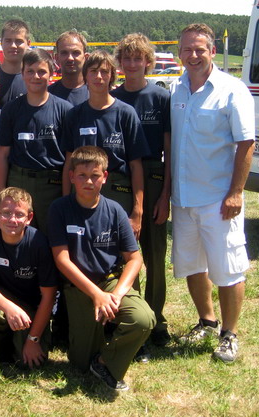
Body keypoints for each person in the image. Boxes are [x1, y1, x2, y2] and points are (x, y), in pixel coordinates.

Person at [170, 23, 255, 363]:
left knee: (228, 268)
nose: (193, 55)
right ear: (179, 53)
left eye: (200, 49)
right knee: (192, 265)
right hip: (184, 198)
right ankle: (206, 320)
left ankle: (230, 334)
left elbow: (246, 143)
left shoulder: (232, 90)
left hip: (219, 200)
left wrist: (236, 192)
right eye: (187, 49)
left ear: (212, 52)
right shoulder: (175, 90)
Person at [49, 146, 155, 391]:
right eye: (82, 175)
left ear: (105, 177)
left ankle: (105, 361)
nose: (89, 181)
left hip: (109, 282)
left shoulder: (115, 210)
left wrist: (115, 295)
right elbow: (61, 259)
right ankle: (93, 355)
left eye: (95, 175)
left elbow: (135, 258)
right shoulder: (59, 209)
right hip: (78, 288)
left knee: (143, 319)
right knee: (80, 363)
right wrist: (95, 295)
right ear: (71, 176)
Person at [112, 33, 172, 350]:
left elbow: (169, 149)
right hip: (124, 179)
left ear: (148, 62)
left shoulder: (159, 97)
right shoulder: (114, 97)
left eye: (139, 58)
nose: (133, 64)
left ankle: (157, 319)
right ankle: (130, 316)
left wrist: (165, 195)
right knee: (127, 251)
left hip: (154, 175)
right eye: (127, 58)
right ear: (120, 62)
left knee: (155, 254)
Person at [61, 50, 149, 241]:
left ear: (112, 76)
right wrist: (66, 202)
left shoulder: (126, 113)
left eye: (104, 71)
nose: (98, 77)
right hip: (82, 190)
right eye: (93, 71)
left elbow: (135, 165)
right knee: (83, 247)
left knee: (118, 250)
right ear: (85, 76)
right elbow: (69, 162)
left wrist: (137, 211)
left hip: (118, 191)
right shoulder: (74, 115)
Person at [0, 187, 57, 367]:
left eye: (19, 214)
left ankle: (23, 341)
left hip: (32, 306)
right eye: (6, 213)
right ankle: (0, 349)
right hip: (4, 298)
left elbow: (49, 297)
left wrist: (33, 339)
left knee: (30, 364)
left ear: (29, 218)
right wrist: (9, 307)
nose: (12, 219)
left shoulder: (39, 243)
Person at [0, 48, 72, 235]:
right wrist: (1, 193)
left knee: (52, 238)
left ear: (51, 74)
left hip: (51, 185)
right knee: (18, 238)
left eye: (42, 71)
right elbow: (3, 154)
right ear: (22, 74)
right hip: (18, 182)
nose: (35, 76)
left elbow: (70, 158)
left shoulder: (65, 109)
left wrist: (67, 195)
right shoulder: (11, 109)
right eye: (30, 71)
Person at [0, 19, 31, 109]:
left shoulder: (35, 79)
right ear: (1, 43)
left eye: (19, 41)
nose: (13, 45)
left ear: (28, 43)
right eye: (8, 41)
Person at [48, 31, 90, 106]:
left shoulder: (98, 94)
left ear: (86, 57)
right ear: (56, 58)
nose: (70, 58)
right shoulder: (47, 95)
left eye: (76, 52)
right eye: (64, 53)